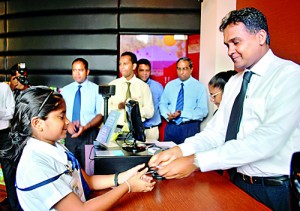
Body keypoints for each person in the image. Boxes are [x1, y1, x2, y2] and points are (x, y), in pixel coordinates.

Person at [149, 7, 300, 211]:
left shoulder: (289, 76)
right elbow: (216, 133)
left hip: (274, 190)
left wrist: (196, 161)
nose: (230, 51)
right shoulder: (235, 82)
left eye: (236, 42)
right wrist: (179, 150)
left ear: (261, 37)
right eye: (227, 44)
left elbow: (267, 140)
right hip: (237, 183)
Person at [3, 86, 155, 210]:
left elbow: (86, 181)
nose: (68, 121)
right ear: (37, 123)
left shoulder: (55, 147)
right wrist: (128, 186)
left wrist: (124, 177)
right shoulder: (35, 166)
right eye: (61, 117)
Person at [60, 58, 103, 168]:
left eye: (80, 70)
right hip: (70, 135)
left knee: (89, 168)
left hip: (89, 135)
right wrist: (68, 124)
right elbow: (61, 112)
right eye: (74, 70)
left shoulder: (96, 90)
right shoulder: (65, 90)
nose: (77, 73)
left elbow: (100, 115)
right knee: (70, 168)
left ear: (87, 71)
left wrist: (86, 127)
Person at [159, 57, 208, 144]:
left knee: (188, 155)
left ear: (191, 69)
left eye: (185, 69)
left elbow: (203, 111)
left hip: (190, 127)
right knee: (169, 155)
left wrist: (182, 113)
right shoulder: (170, 85)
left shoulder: (199, 87)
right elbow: (162, 104)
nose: (181, 72)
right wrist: (167, 115)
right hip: (172, 127)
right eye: (179, 69)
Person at [108, 52, 154, 131]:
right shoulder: (112, 85)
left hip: (137, 129)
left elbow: (150, 112)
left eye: (125, 64)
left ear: (134, 66)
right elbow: (103, 110)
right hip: (116, 129)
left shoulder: (143, 87)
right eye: (120, 64)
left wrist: (133, 109)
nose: (122, 67)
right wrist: (118, 107)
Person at [0, 83, 22, 211]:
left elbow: (10, 113)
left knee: (8, 172)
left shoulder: (4, 88)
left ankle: (15, 206)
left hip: (4, 134)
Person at [136, 58, 163, 140]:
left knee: (153, 153)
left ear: (150, 71)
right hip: (136, 130)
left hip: (152, 130)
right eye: (141, 70)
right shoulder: (133, 86)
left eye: (147, 70)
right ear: (136, 71)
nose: (145, 73)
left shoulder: (158, 87)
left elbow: (162, 105)